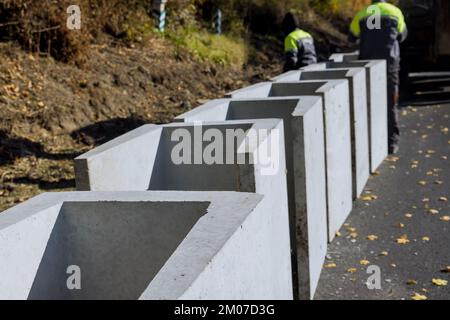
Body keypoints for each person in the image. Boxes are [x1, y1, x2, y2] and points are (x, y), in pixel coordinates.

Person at [350, 0, 408, 154]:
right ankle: (391, 143)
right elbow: (402, 36)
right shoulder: (395, 11)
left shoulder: (363, 13)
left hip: (367, 67)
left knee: (367, 105)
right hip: (390, 67)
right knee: (390, 104)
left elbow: (352, 36)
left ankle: (369, 145)